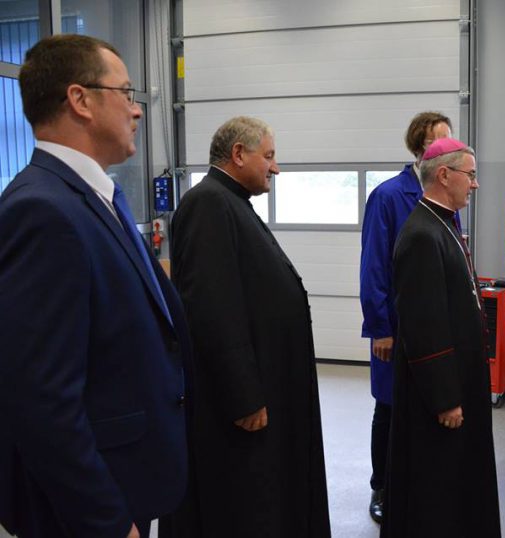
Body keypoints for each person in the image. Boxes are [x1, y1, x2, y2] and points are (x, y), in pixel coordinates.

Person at [0, 34, 191, 538]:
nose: (138, 109)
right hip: (89, 508)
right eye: (125, 93)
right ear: (80, 100)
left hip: (129, 475)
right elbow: (43, 401)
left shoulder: (94, 197)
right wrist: (106, 522)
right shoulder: (42, 210)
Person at [167, 116, 330, 538]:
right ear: (238, 154)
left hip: (267, 383)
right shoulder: (208, 204)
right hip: (239, 403)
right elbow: (212, 308)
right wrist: (243, 396)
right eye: (269, 156)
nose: (276, 167)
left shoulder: (231, 201)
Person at [383, 138, 501, 537]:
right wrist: (445, 398)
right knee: (436, 483)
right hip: (439, 392)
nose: (475, 184)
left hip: (460, 379)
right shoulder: (421, 234)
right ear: (445, 175)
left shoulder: (442, 224)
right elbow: (424, 326)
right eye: (471, 175)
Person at [359, 111, 452, 523]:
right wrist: (379, 327)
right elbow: (373, 267)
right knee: (390, 407)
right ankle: (382, 485)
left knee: (425, 405)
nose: (446, 147)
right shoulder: (388, 196)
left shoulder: (445, 195)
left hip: (432, 326)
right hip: (395, 328)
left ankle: (415, 480)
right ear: (419, 147)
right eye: (437, 141)